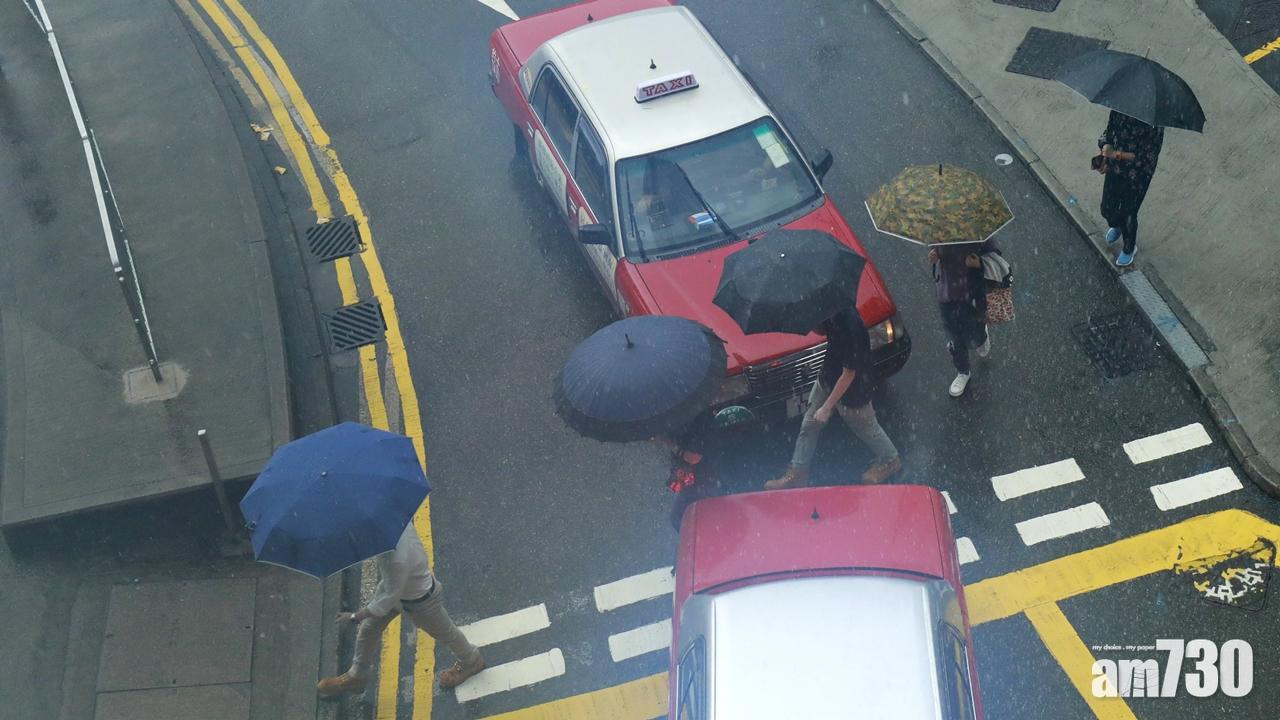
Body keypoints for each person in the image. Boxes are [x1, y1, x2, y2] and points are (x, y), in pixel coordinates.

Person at [316, 525, 484, 698]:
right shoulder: (398, 529)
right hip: (401, 590)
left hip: (421, 603)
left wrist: (353, 617)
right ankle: (357, 675)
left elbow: (386, 601)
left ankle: (472, 660)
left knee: (447, 634)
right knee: (369, 629)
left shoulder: (395, 560)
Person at [766, 308, 902, 489]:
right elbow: (823, 331)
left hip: (854, 389)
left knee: (866, 426)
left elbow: (849, 374)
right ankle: (798, 472)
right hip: (829, 376)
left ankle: (890, 459)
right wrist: (812, 319)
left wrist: (827, 408)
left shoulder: (852, 327)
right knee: (809, 424)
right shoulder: (829, 311)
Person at [930, 239, 998, 398]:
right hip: (947, 295)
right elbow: (937, 251)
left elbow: (995, 259)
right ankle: (963, 371)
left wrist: (980, 263)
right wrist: (935, 255)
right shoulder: (941, 231)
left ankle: (982, 336)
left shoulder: (979, 233)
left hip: (972, 296)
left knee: (976, 334)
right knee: (954, 338)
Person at [1096, 110, 1164, 267]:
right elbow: (1109, 130)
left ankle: (1129, 248)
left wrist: (1116, 154)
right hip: (1115, 168)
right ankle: (1117, 224)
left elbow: (1145, 156)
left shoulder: (1152, 122)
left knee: (1129, 213)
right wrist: (1105, 146)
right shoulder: (1120, 109)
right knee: (1107, 208)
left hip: (1138, 175)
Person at [654, 422, 722, 531]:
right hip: (701, 481)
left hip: (703, 482)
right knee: (677, 517)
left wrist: (669, 443)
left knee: (677, 517)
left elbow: (694, 458)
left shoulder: (694, 446)